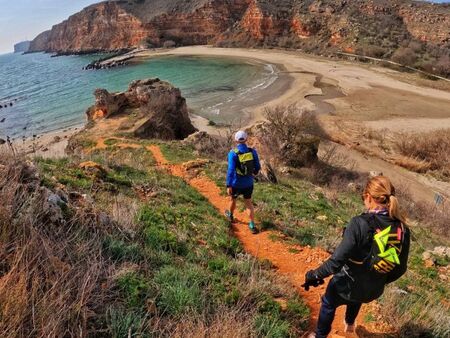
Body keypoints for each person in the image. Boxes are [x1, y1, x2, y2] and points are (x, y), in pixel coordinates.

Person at [302, 176, 411, 338]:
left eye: (363, 198)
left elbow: (336, 262)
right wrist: (378, 278)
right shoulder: (402, 228)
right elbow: (401, 268)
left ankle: (320, 335)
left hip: (346, 286)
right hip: (373, 290)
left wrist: (313, 275)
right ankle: (350, 323)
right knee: (359, 289)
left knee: (328, 302)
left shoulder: (359, 223)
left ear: (368, 197)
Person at [225, 130, 261, 234]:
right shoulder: (252, 151)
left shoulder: (233, 153)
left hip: (236, 183)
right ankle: (252, 225)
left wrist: (229, 185)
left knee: (232, 200)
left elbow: (231, 170)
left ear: (235, 140)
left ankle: (230, 216)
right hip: (249, 183)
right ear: (246, 139)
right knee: (248, 203)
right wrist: (253, 172)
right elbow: (257, 167)